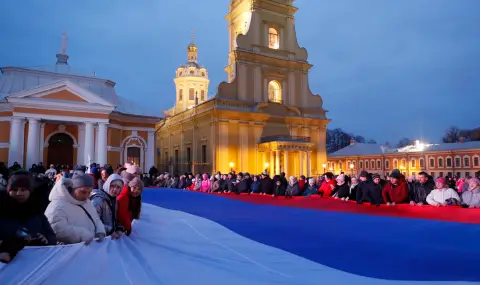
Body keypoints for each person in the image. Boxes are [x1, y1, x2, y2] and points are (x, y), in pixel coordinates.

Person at [0, 172, 57, 263]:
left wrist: (46, 239)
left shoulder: (36, 211)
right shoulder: (2, 210)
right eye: (14, 190)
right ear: (8, 191)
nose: (19, 193)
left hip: (32, 265)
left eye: (23, 189)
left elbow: (51, 236)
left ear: (30, 191)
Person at [45, 172, 106, 244]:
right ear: (74, 189)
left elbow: (95, 218)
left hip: (89, 248)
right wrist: (81, 234)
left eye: (89, 192)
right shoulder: (57, 206)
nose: (86, 196)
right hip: (69, 251)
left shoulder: (87, 202)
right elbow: (57, 228)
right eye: (83, 192)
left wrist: (100, 230)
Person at [90, 174, 125, 238]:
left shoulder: (114, 200)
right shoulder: (98, 200)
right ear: (107, 184)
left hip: (109, 239)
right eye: (112, 186)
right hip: (99, 240)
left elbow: (113, 218)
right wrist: (109, 230)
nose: (115, 189)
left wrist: (119, 227)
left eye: (118, 187)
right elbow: (92, 222)